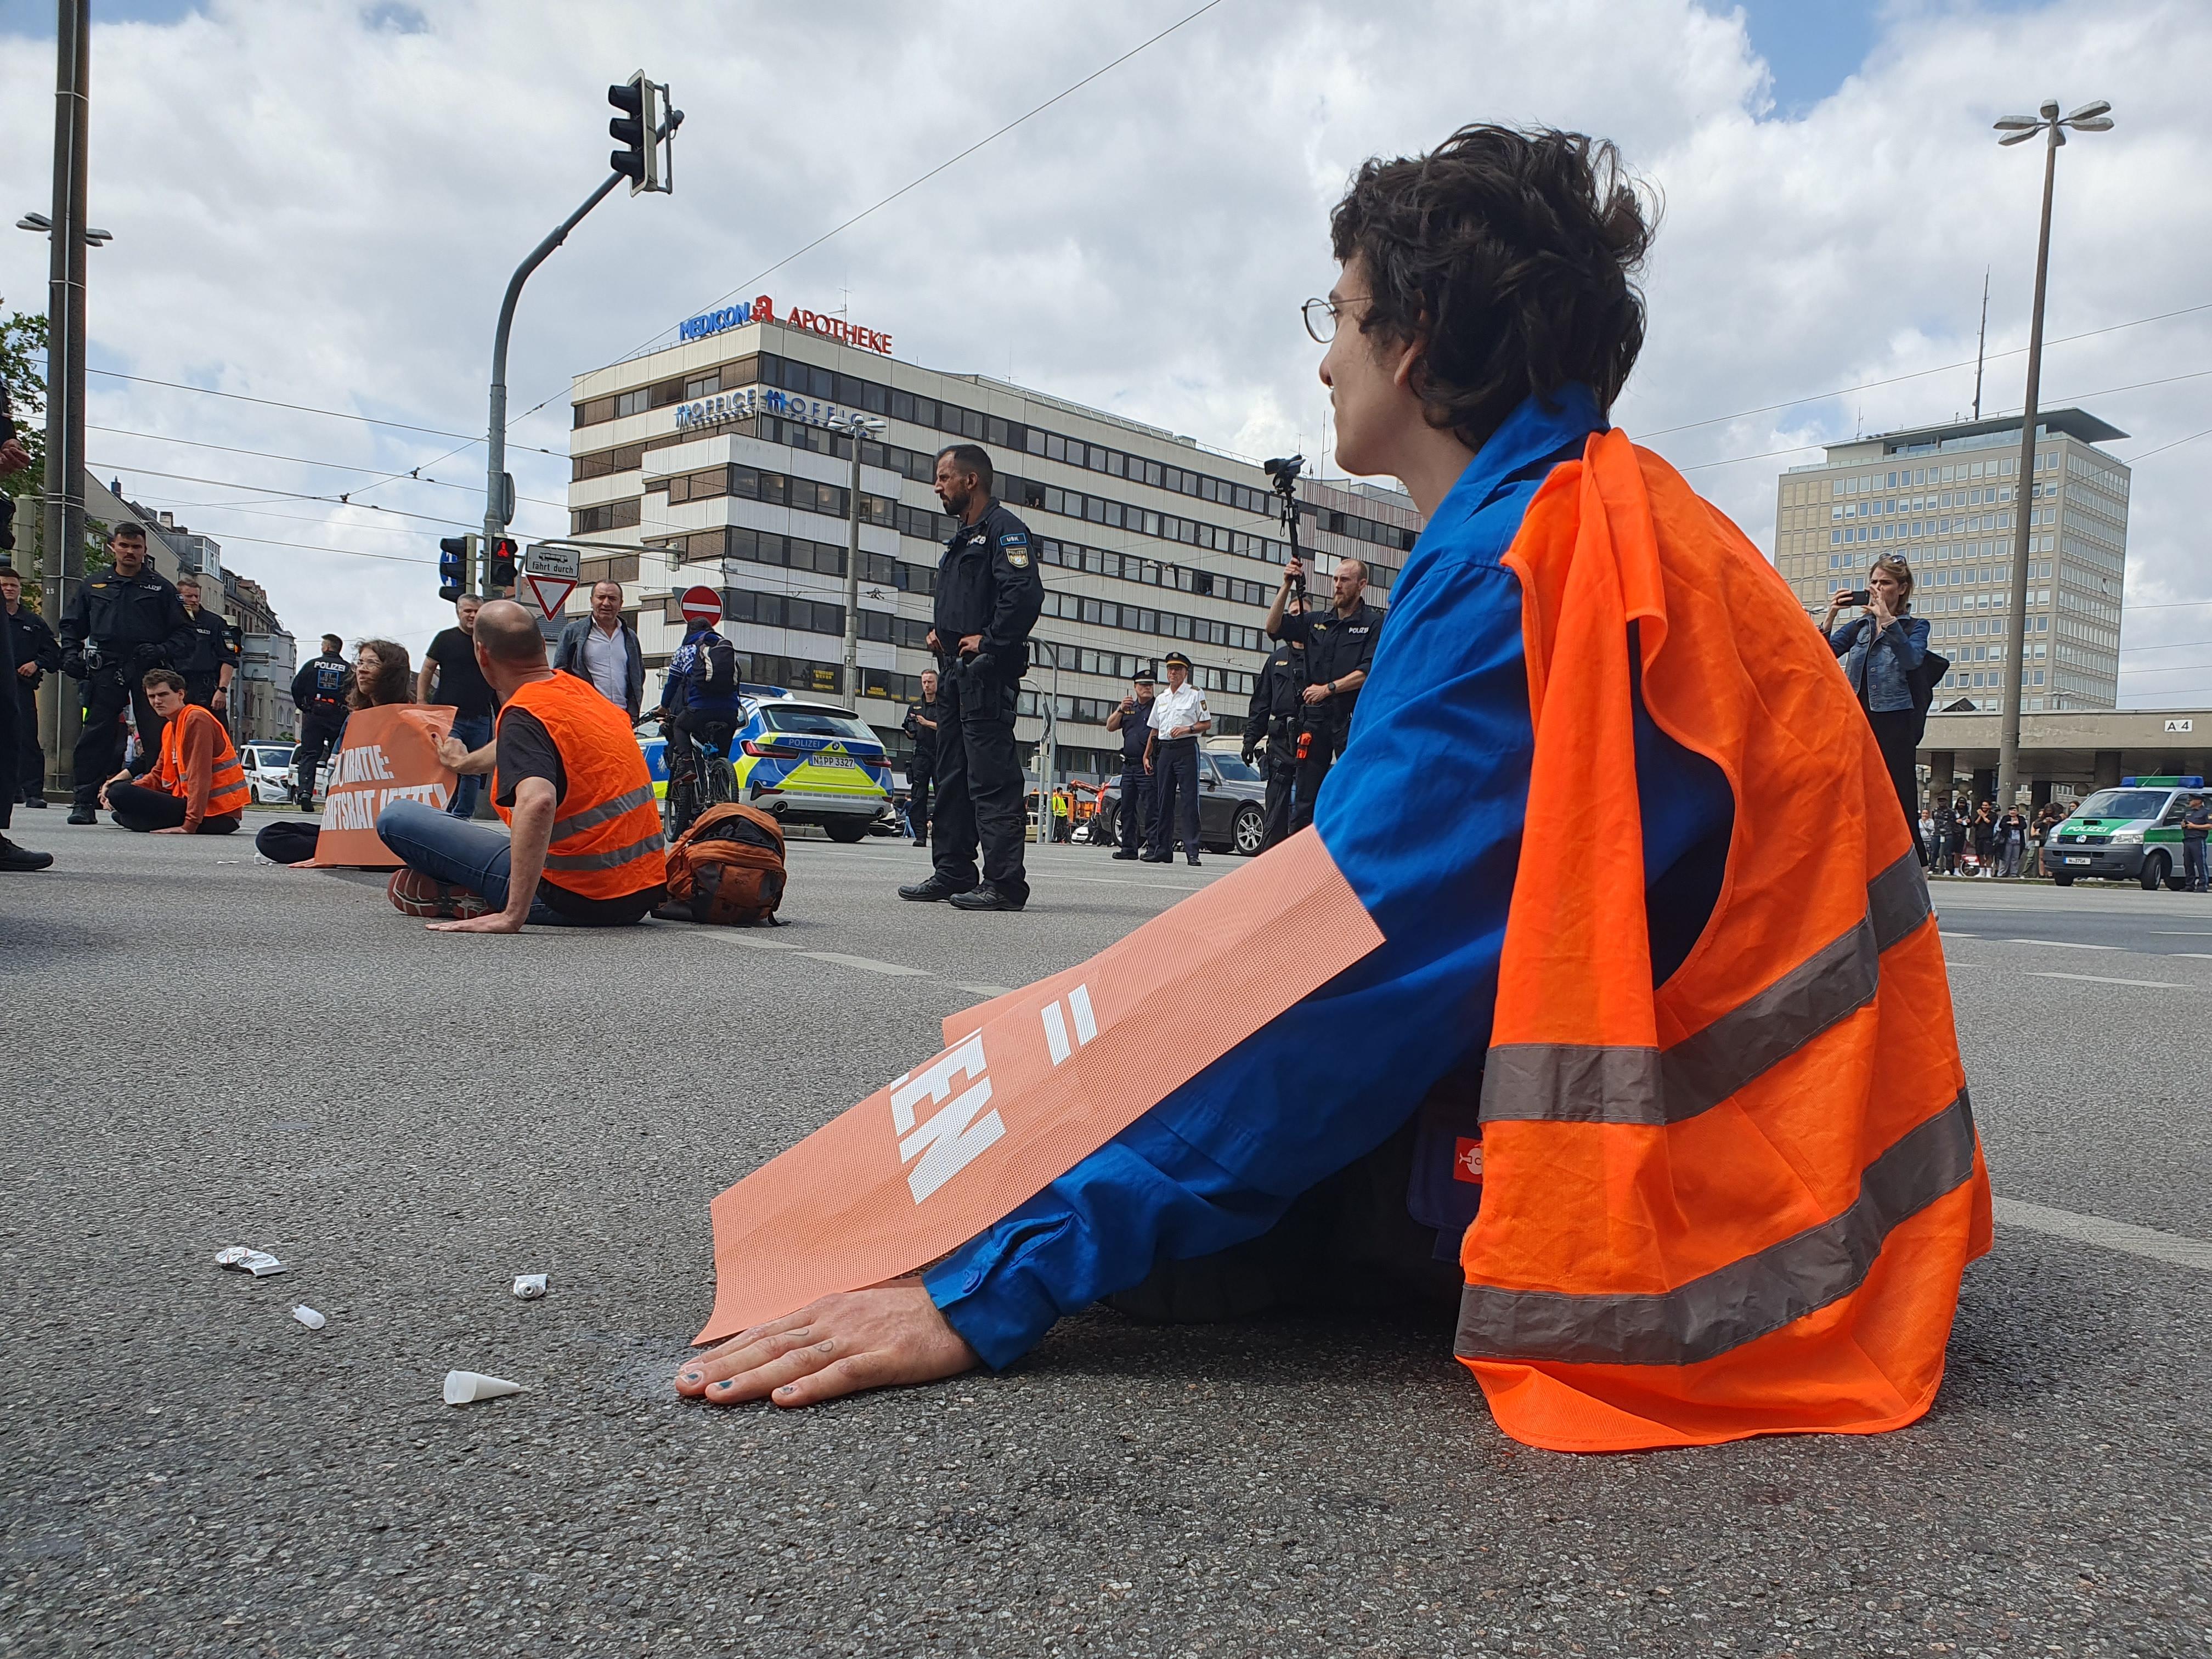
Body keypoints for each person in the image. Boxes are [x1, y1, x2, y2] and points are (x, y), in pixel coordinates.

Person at [674, 122, 1986, 1456]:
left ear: (1413, 338)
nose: (1325, 354)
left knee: (1123, 1208)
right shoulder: (1621, 522)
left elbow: (1347, 972)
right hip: (1816, 1184)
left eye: (1342, 315)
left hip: (1715, 1232)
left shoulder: (1515, 571)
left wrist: (997, 1276)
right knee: (1114, 1096)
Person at [376, 600, 667, 932]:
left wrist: (513, 915)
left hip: (574, 896)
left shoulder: (522, 714)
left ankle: (482, 899)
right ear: (542, 646)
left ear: (482, 654)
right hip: (641, 891)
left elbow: (539, 801)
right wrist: (466, 763)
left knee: (397, 818)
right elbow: (529, 745)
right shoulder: (577, 692)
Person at [898, 444, 1044, 913]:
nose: (937, 487)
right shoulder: (962, 538)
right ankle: (954, 870)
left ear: (971, 481)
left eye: (944, 478)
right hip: (955, 677)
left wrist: (991, 643)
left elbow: (1023, 594)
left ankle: (1004, 884)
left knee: (992, 780)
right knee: (952, 776)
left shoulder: (1006, 531)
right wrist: (944, 635)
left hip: (986, 676)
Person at [59, 522, 193, 825]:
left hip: (149, 668)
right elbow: (71, 625)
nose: (130, 552)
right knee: (96, 734)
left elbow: (185, 636)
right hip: (106, 666)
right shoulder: (94, 585)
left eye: (136, 547)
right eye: (124, 546)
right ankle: (83, 801)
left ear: (145, 551)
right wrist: (70, 654)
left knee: (158, 735)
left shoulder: (161, 588)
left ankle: (166, 799)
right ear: (113, 547)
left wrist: (161, 651)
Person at [1266, 554, 1383, 833]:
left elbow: (1368, 671)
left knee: (1355, 790)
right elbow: (1273, 628)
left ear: (1361, 585)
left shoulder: (1374, 623)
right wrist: (1286, 585)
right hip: (1314, 721)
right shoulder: (1316, 620)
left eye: (1345, 580)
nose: (1338, 585)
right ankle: (1301, 864)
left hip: (1350, 720)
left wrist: (1328, 689)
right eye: (1335, 579)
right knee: (1305, 799)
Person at [1823, 555, 1928, 860]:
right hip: (1857, 716)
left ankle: (1913, 860)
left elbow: (1911, 660)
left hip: (1895, 719)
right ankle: (1853, 853)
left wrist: (1888, 621)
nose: (1877, 589)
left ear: (1902, 588)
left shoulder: (1915, 626)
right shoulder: (1860, 626)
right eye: (1874, 582)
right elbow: (1823, 656)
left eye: (1885, 583)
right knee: (1851, 786)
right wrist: (1831, 616)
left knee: (1899, 791)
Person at [100, 669, 246, 835]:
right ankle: (139, 817)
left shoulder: (196, 719)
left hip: (219, 814)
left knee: (122, 794)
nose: (157, 701)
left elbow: (200, 776)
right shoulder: (170, 727)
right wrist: (118, 789)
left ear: (181, 694)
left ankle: (147, 820)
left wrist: (189, 826)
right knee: (119, 803)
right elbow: (158, 775)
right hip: (190, 805)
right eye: (152, 697)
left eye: (163, 695)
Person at [651, 619, 746, 834]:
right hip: (730, 711)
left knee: (681, 728)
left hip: (700, 710)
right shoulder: (726, 648)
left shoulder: (685, 651)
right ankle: (721, 783)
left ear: (689, 631)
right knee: (721, 753)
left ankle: (688, 765)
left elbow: (672, 684)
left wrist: (664, 709)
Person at [419, 596, 494, 819]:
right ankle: (441, 812)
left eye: (477, 611)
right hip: (448, 716)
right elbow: (427, 669)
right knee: (446, 764)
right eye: (468, 611)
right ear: (458, 612)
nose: (472, 616)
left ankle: (463, 816)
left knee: (474, 768)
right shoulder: (445, 639)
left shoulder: (489, 642)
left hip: (481, 716)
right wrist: (422, 701)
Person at [1142, 650, 1210, 865]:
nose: (1173, 673)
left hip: (1186, 749)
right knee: (1164, 801)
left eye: (1178, 669)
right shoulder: (1161, 698)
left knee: (1190, 801)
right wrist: (1147, 756)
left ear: (1185, 673)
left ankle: (1192, 851)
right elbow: (1154, 729)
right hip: (1165, 751)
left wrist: (1188, 728)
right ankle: (1163, 850)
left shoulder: (1195, 694)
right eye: (1170, 669)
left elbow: (1206, 723)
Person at [1243, 613, 1305, 853]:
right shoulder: (1276, 660)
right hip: (1280, 741)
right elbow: (1261, 703)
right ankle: (1270, 864)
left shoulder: (1319, 656)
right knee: (1276, 811)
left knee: (1306, 810)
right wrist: (1250, 740)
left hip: (1310, 739)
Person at [2, 567, 59, 808]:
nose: (8, 589)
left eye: (13, 585)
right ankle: (9, 790)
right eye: (3, 585)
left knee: (26, 740)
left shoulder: (32, 622)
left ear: (19, 589)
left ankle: (33, 791)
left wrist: (37, 664)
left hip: (20, 689)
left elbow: (55, 654)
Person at [552, 580, 645, 722]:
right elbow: (560, 674)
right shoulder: (573, 632)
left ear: (621, 604)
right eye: (601, 597)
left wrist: (633, 713)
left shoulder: (631, 637)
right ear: (592, 601)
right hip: (587, 715)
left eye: (613, 599)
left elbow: (639, 675)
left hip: (622, 717)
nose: (606, 603)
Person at [290, 633, 353, 811]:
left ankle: (305, 793)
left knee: (310, 755)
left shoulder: (312, 665)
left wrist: (303, 706)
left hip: (314, 714)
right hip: (338, 716)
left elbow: (296, 687)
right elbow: (355, 692)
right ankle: (335, 794)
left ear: (326, 648)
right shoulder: (347, 669)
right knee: (338, 756)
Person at [1103, 668, 1155, 860]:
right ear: (1135, 687)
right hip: (1129, 765)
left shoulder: (1157, 707)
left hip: (1147, 765)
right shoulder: (1130, 708)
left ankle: (1152, 847)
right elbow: (1110, 726)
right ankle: (1129, 848)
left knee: (1150, 807)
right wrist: (1120, 709)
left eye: (1150, 685)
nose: (1147, 688)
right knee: (1127, 807)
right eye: (1143, 685)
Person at [172, 574, 238, 723]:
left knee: (214, 735)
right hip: (175, 685)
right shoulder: (169, 621)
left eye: (197, 596)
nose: (195, 600)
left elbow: (228, 659)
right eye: (189, 596)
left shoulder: (215, 623)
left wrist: (222, 690)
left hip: (206, 688)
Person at [902, 668, 939, 846]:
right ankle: (920, 835)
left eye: (930, 681)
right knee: (918, 795)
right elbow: (911, 734)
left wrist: (927, 723)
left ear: (937, 683)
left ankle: (941, 835)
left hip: (941, 754)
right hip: (922, 753)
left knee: (943, 795)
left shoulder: (945, 704)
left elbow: (949, 728)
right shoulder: (915, 706)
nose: (927, 685)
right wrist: (910, 730)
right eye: (924, 682)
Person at [350, 639, 415, 709]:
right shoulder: (358, 715)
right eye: (360, 663)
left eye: (372, 663)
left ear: (392, 672)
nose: (361, 669)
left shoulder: (408, 716)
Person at [2184, 795, 2211, 893]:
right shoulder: (2189, 812)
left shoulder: (2207, 812)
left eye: (2191, 800)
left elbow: (2210, 825)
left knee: (2201, 864)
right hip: (2188, 840)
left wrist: (2194, 826)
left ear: (2199, 801)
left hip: (2198, 840)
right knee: (2188, 864)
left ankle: (2203, 885)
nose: (2189, 801)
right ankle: (2189, 885)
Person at [1996, 803, 2028, 879]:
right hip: (2007, 841)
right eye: (2011, 810)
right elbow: (2002, 825)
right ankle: (2002, 873)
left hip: (2018, 841)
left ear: (2017, 811)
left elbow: (2023, 826)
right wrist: (2011, 823)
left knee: (2015, 858)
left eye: (2014, 810)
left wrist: (2017, 824)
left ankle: (2014, 873)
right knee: (2005, 858)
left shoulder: (2021, 819)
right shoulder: (2006, 818)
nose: (2012, 812)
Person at [1970, 801, 1995, 878]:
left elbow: (1990, 823)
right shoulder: (1978, 815)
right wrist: (1980, 816)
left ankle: (1989, 872)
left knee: (1988, 855)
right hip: (1979, 837)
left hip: (1988, 837)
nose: (1984, 807)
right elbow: (1975, 824)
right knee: (1980, 855)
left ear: (1990, 807)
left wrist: (1983, 816)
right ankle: (1981, 871)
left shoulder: (1993, 815)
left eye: (1986, 805)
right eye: (1983, 805)